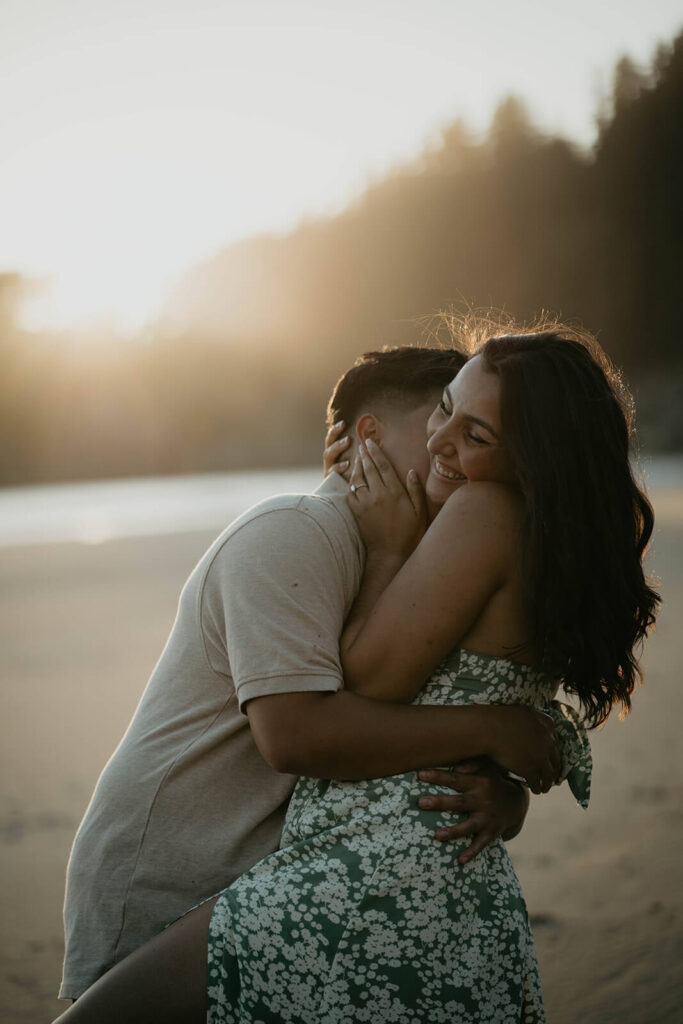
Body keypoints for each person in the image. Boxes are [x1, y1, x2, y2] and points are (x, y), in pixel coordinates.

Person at [52, 327, 637, 1024]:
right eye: (437, 412)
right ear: (365, 437)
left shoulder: (467, 532)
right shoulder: (294, 533)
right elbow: (304, 732)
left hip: (339, 868)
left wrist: (505, 790)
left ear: (527, 455)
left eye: (473, 433)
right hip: (184, 870)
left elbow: (396, 702)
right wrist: (499, 731)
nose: (441, 441)